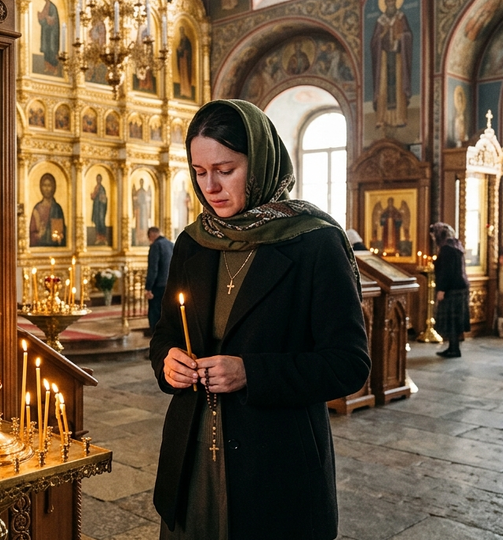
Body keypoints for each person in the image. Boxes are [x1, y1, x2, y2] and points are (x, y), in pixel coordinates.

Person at [149, 99, 370, 538]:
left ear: (261, 162)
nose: (210, 186)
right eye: (199, 171)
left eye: (225, 170)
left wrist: (251, 373)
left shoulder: (315, 243)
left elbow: (349, 364)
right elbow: (166, 334)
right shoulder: (194, 242)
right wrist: (167, 362)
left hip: (277, 466)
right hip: (191, 461)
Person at [370, 0, 413, 128]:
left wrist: (401, 36)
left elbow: (408, 35)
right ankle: (382, 119)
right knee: (383, 86)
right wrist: (382, 35)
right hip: (384, 58)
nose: (390, 3)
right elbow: (374, 41)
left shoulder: (401, 17)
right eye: (387, 1)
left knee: (398, 85)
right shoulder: (380, 21)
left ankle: (400, 118)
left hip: (398, 56)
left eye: (392, 1)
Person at [430, 223, 470, 358]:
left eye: (434, 236)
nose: (433, 239)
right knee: (455, 320)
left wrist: (442, 289)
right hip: (460, 288)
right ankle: (453, 347)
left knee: (451, 321)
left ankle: (454, 349)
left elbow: (447, 272)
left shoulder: (447, 249)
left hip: (452, 289)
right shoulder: (456, 246)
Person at [145, 227, 173, 335]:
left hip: (158, 286)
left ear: (151, 235)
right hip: (169, 284)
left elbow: (153, 269)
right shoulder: (171, 244)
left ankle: (156, 336)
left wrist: (148, 288)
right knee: (167, 312)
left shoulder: (156, 246)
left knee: (155, 313)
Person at [90, 174, 108, 245]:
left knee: (101, 221)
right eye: (97, 179)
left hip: (101, 208)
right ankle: (98, 237)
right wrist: (93, 195)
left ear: (101, 180)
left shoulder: (102, 188)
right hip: (96, 207)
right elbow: (93, 197)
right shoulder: (96, 187)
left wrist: (96, 195)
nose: (98, 180)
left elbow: (104, 199)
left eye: (99, 179)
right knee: (97, 222)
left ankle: (103, 238)